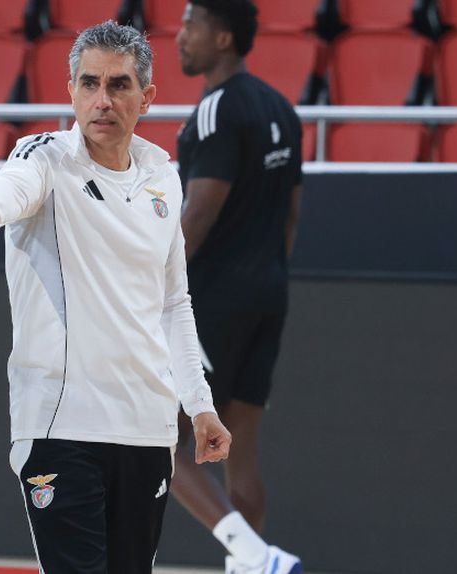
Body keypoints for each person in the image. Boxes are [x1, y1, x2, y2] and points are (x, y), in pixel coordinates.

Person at [0, 21, 232, 574]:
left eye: (119, 85)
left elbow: (174, 304)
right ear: (70, 90)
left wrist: (199, 406)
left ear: (146, 98)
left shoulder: (162, 177)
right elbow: (13, 184)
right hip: (60, 427)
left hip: (146, 430)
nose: (102, 100)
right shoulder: (46, 158)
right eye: (89, 83)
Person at [173, 1, 304, 573]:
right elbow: (291, 216)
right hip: (269, 292)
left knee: (164, 443)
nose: (179, 37)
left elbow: (197, 214)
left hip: (214, 299)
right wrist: (265, 277)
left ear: (222, 38)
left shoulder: (216, 110)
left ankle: (255, 557)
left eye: (190, 25)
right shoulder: (282, 107)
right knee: (239, 452)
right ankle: (252, 567)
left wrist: (148, 288)